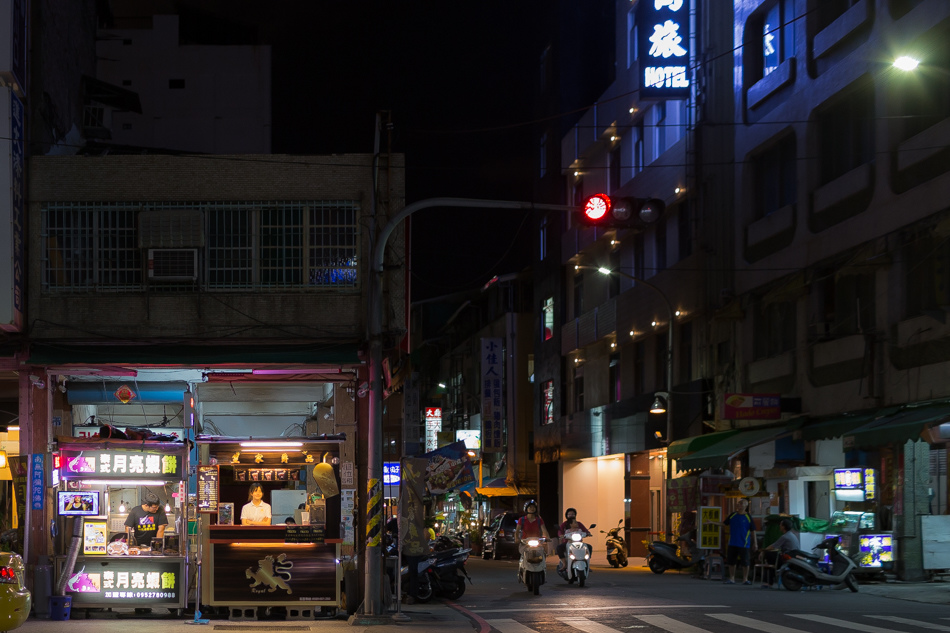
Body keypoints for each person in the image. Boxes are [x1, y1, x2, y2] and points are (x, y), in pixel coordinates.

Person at [706, 498, 757, 585]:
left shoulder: (748, 517)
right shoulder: (733, 515)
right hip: (732, 542)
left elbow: (753, 531)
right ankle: (732, 578)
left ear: (746, 506)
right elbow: (724, 523)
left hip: (744, 543)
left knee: (745, 562)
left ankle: (745, 579)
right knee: (731, 561)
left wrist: (755, 543)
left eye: (741, 504)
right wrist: (712, 522)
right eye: (738, 504)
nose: (739, 505)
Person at [760, 518, 799, 589]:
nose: (779, 526)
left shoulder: (785, 537)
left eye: (780, 525)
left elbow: (772, 546)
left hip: (787, 558)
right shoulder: (791, 535)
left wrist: (763, 551)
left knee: (769, 557)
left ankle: (768, 582)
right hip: (792, 556)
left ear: (783, 527)